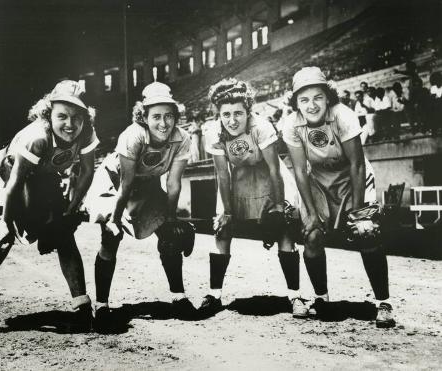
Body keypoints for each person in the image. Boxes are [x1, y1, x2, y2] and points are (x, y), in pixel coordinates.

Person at [0, 80, 99, 337]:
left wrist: (70, 210)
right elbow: (15, 184)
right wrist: (5, 222)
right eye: (62, 115)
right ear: (48, 113)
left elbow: (87, 172)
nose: (70, 124)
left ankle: (82, 310)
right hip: (2, 176)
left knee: (64, 233)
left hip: (39, 177)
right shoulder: (37, 138)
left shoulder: (86, 132)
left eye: (77, 117)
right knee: (2, 241)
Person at [282, 67, 395, 328]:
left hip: (352, 177)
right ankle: (321, 299)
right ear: (296, 103)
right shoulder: (290, 123)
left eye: (317, 97)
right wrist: (310, 213)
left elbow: (357, 164)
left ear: (328, 96)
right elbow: (300, 170)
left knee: (366, 232)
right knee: (311, 235)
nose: (311, 105)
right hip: (319, 181)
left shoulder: (343, 115)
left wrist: (357, 213)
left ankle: (384, 303)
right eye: (304, 99)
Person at [84, 82, 194, 331]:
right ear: (143, 116)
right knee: (111, 236)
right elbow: (125, 183)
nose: (163, 123)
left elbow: (173, 183)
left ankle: (179, 297)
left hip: (147, 184)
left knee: (169, 235)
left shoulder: (183, 138)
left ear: (176, 116)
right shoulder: (132, 135)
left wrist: (172, 219)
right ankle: (101, 306)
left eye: (169, 116)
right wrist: (114, 218)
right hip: (115, 182)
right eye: (156, 116)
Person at [200, 78, 311, 319]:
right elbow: (222, 174)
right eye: (226, 114)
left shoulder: (262, 126)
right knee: (222, 229)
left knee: (285, 231)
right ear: (218, 113)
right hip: (237, 180)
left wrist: (280, 208)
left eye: (238, 113)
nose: (232, 120)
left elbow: (274, 170)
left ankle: (295, 295)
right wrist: (227, 211)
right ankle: (214, 295)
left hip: (269, 180)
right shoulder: (213, 132)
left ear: (248, 110)